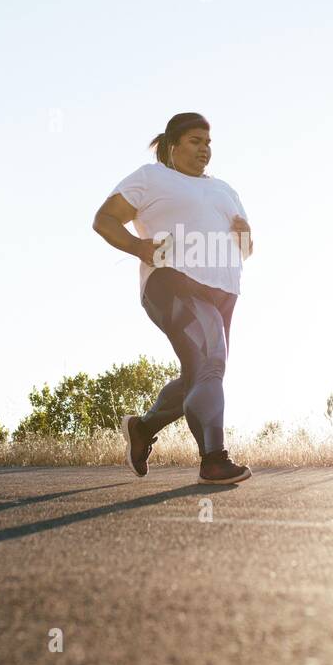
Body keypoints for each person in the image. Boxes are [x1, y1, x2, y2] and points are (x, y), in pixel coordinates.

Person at [92, 112, 254, 485]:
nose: (205, 149)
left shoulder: (226, 190)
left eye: (209, 143)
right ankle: (213, 460)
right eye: (196, 141)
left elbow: (245, 250)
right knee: (212, 364)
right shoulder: (152, 178)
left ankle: (143, 428)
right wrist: (138, 247)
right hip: (171, 282)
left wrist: (246, 235)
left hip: (224, 291)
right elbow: (104, 220)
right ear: (172, 145)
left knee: (199, 374)